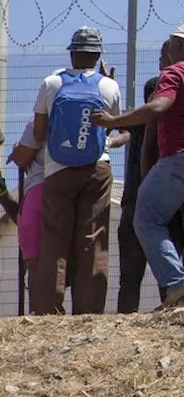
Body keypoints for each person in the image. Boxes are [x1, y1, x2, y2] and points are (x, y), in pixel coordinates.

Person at [93, 23, 184, 306]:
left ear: (180, 45)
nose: (167, 49)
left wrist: (114, 121)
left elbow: (158, 107)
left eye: (170, 43)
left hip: (182, 156)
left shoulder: (175, 72)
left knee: (146, 217)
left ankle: (178, 283)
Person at [29, 27, 120, 315]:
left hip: (58, 170)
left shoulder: (51, 83)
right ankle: (89, 311)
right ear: (97, 54)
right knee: (93, 238)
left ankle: (48, 309)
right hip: (97, 169)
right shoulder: (108, 86)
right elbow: (110, 128)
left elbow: (40, 130)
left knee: (54, 237)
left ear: (72, 52)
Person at [117, 42, 170, 314]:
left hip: (134, 206)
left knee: (130, 279)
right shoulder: (173, 125)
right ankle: (171, 313)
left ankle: (124, 321)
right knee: (167, 275)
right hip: (164, 208)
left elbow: (118, 129)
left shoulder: (137, 123)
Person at [8, 118, 47, 305]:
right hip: (69, 191)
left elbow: (22, 157)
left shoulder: (40, 121)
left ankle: (41, 307)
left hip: (39, 190)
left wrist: (18, 152)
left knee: (35, 259)